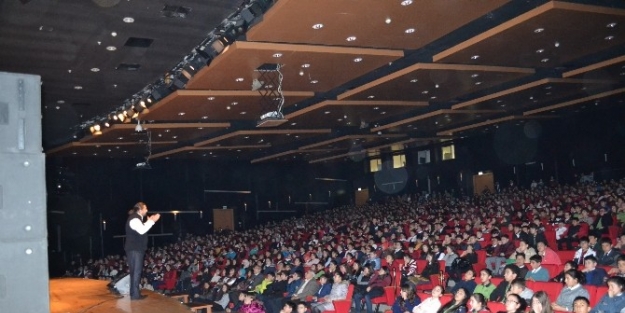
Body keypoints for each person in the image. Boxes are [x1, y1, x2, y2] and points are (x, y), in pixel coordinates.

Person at [125, 202, 160, 300]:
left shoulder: (136, 219)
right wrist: (152, 221)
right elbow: (141, 230)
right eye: (145, 208)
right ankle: (135, 295)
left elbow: (140, 228)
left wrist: (147, 222)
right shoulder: (135, 218)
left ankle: (134, 293)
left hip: (134, 249)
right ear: (140, 209)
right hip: (135, 249)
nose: (147, 210)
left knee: (134, 272)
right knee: (136, 272)